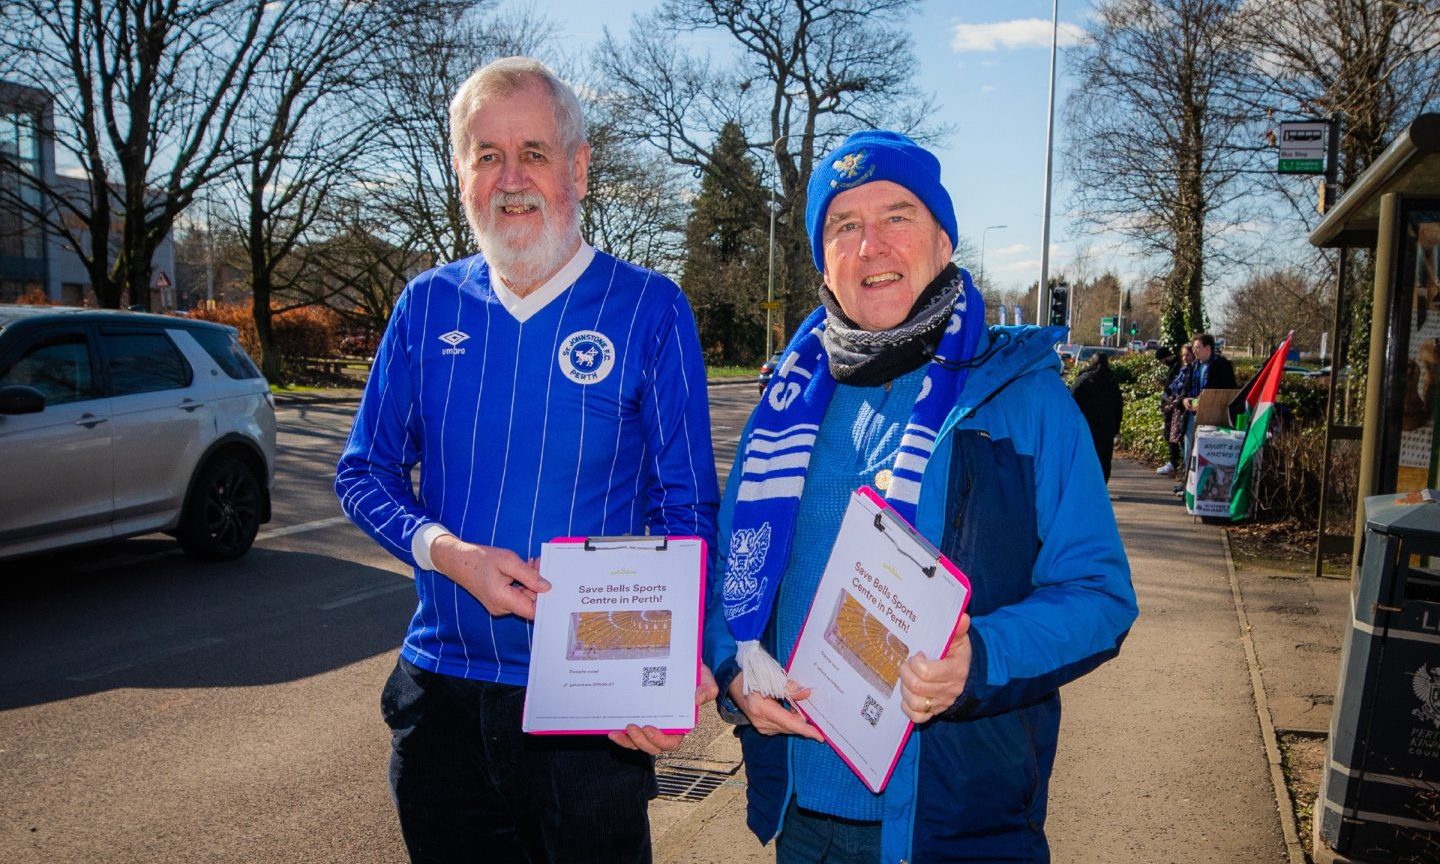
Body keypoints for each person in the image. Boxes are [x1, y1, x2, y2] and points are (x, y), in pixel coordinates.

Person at [701, 130, 1137, 863]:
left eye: (896, 216)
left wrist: (983, 656)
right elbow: (730, 580)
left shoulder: (1024, 401)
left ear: (942, 242)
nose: (871, 244)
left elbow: (1100, 595)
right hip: (801, 820)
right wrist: (733, 671)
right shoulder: (780, 411)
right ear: (824, 265)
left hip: (954, 823)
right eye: (845, 226)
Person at [335, 57, 720, 864]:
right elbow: (362, 472)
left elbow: (687, 509)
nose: (511, 179)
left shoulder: (650, 307)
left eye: (534, 153)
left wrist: (676, 657)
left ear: (577, 168)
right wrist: (449, 554)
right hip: (441, 696)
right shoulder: (426, 304)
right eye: (486, 156)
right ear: (461, 174)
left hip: (590, 711)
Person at [1177, 333, 1238, 497]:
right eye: (1194, 347)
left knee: (1207, 455)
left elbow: (1228, 391)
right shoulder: (1194, 366)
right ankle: (1188, 487)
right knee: (1189, 452)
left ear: (1208, 348)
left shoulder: (1221, 366)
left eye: (1197, 348)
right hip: (1191, 416)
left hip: (1212, 417)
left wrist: (1206, 401)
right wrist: (1184, 400)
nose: (1194, 351)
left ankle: (1204, 488)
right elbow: (1184, 389)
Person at [1071, 352, 1124, 482]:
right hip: (1106, 426)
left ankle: (1086, 485)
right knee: (1104, 458)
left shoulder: (1082, 380)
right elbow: (1118, 406)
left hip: (1086, 425)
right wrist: (1116, 428)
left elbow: (1071, 403)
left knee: (1085, 456)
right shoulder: (1112, 381)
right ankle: (1102, 484)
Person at [1160, 343, 1196, 479]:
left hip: (1186, 409)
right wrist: (1168, 395)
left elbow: (1186, 389)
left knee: (1184, 441)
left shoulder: (1192, 370)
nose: (1185, 357)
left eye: (1188, 354)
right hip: (1179, 408)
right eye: (1183, 355)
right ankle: (1184, 473)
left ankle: (1184, 473)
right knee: (1178, 438)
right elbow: (1175, 385)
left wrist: (1179, 399)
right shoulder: (1183, 370)